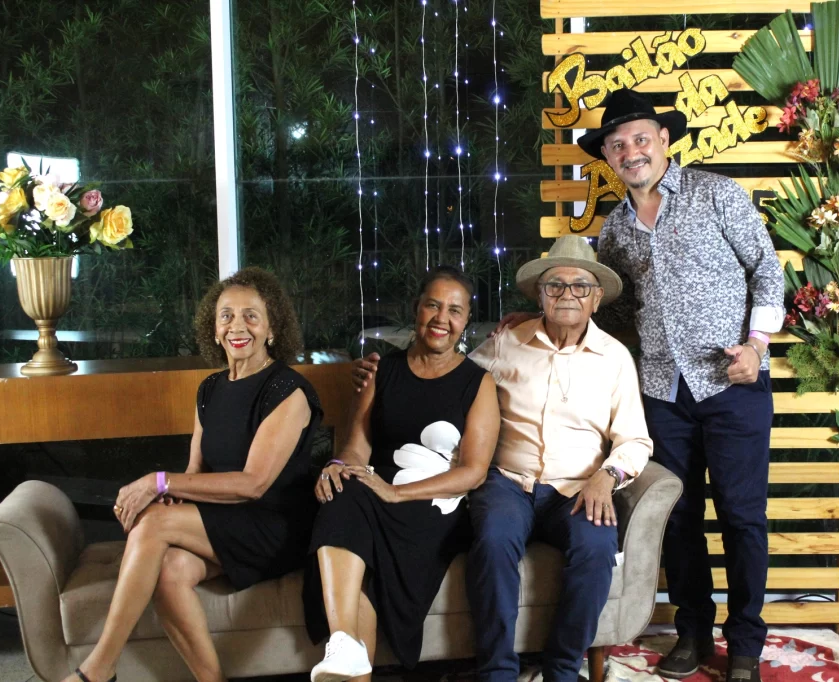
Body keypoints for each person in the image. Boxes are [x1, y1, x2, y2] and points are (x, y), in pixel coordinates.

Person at [352, 237, 653, 682]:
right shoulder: (506, 343)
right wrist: (382, 376)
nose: (567, 294)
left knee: (595, 549)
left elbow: (636, 440)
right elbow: (447, 375)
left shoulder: (614, 359)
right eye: (555, 285)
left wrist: (607, 476)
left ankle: (562, 668)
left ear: (595, 299)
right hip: (507, 482)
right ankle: (497, 671)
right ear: (540, 295)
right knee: (493, 541)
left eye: (580, 286)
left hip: (578, 487)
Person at [583, 89, 784, 682]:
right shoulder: (613, 231)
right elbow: (616, 313)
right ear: (609, 157)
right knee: (677, 517)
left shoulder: (716, 193)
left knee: (742, 518)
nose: (631, 152)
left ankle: (744, 645)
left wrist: (757, 347)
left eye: (640, 139)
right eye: (617, 145)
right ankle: (693, 633)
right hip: (661, 394)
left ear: (664, 140)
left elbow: (767, 270)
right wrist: (543, 320)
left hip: (733, 384)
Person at [63, 268, 324, 682]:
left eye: (251, 316)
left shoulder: (287, 391)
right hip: (227, 518)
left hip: (276, 525)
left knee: (153, 523)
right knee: (170, 569)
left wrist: (158, 483)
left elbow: (253, 483)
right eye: (226, 316)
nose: (237, 326)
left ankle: (98, 669)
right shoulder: (210, 389)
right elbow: (196, 471)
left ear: (272, 328)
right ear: (213, 329)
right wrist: (172, 494)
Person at [303, 265, 500, 682]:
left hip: (433, 504)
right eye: (433, 305)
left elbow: (474, 472)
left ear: (466, 320)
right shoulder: (382, 371)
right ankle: (344, 645)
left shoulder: (477, 383)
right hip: (375, 489)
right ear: (416, 309)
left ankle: (344, 646)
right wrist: (338, 467)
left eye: (455, 310)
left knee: (363, 553)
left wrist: (395, 493)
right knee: (344, 492)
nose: (442, 318)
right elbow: (356, 447)